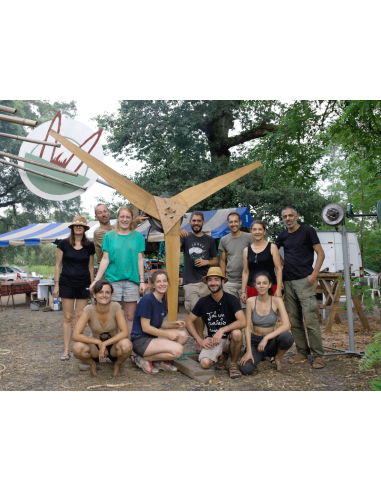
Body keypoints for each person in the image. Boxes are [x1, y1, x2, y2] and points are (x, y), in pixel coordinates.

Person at [275, 206, 326, 369]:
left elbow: (321, 253)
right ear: (282, 219)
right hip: (288, 281)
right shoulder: (282, 235)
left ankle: (318, 356)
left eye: (290, 215)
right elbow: (273, 250)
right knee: (294, 321)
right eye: (285, 216)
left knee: (310, 319)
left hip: (305, 280)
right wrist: (281, 263)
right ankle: (302, 352)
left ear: (297, 216)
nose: (288, 218)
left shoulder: (307, 231)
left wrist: (314, 274)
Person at [90, 206, 147, 345]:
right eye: (122, 217)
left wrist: (142, 281)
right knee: (112, 316)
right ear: (117, 218)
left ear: (131, 219)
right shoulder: (109, 236)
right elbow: (105, 259)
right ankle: (112, 346)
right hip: (112, 281)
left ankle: (127, 346)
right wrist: (96, 280)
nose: (124, 219)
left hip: (132, 281)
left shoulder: (138, 236)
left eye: (128, 217)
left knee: (130, 316)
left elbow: (140, 260)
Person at [185, 267, 246, 379]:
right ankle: (221, 356)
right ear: (207, 283)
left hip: (229, 340)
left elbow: (243, 322)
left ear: (222, 282)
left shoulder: (231, 299)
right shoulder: (203, 301)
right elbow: (188, 322)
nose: (213, 283)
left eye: (216, 279)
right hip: (213, 340)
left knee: (237, 333)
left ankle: (233, 364)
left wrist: (222, 330)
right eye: (210, 280)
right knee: (204, 364)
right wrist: (199, 340)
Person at [54, 216, 95, 361]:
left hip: (83, 283)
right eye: (76, 225)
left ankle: (77, 347)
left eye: (81, 225)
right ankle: (66, 350)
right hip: (66, 283)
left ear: (84, 228)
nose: (78, 227)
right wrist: (56, 284)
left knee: (79, 317)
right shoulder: (63, 244)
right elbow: (58, 265)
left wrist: (92, 285)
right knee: (68, 317)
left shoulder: (89, 245)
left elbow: (91, 267)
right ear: (72, 228)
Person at [130, 270, 188, 374]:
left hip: (152, 338)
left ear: (168, 283)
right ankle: (143, 359)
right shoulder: (147, 300)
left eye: (164, 281)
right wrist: (167, 334)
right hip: (141, 341)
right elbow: (146, 328)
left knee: (183, 335)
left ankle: (159, 361)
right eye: (158, 281)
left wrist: (173, 324)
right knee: (178, 350)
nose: (162, 284)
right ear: (153, 284)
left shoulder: (162, 301)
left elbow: (160, 323)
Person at [72, 279, 133, 378]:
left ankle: (117, 365)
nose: (104, 295)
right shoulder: (89, 309)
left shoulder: (116, 307)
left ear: (111, 295)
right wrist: (98, 342)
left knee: (127, 345)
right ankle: (92, 364)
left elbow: (124, 332)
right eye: (100, 292)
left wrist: (105, 343)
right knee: (77, 348)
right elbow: (76, 335)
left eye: (107, 292)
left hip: (113, 346)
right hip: (95, 348)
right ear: (94, 295)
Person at [239, 272, 293, 375]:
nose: (262, 286)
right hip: (255, 342)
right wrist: (249, 350)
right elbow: (247, 327)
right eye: (258, 283)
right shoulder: (250, 301)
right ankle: (258, 355)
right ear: (255, 285)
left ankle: (277, 358)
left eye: (265, 283)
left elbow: (286, 325)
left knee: (287, 337)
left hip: (271, 342)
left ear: (269, 285)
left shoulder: (277, 301)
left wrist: (266, 338)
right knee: (246, 370)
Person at [180, 211, 218, 345]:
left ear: (203, 222)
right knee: (196, 312)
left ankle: (209, 338)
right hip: (190, 282)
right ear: (190, 222)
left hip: (206, 282)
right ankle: (200, 340)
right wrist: (178, 234)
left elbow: (215, 260)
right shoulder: (185, 237)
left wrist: (206, 262)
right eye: (194, 220)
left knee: (207, 312)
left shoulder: (209, 239)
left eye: (198, 221)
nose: (196, 223)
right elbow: (174, 248)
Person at [241, 220, 283, 304]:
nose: (257, 232)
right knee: (254, 314)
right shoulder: (246, 250)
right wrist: (243, 292)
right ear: (251, 232)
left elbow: (278, 269)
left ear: (264, 231)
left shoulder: (272, 247)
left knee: (271, 314)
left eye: (260, 229)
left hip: (270, 288)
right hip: (252, 288)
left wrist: (278, 289)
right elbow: (245, 272)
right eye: (254, 229)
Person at [219, 211, 253, 302]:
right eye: (231, 222)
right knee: (231, 311)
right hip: (230, 281)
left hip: (247, 281)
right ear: (227, 224)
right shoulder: (224, 239)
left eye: (235, 221)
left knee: (247, 311)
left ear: (240, 223)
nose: (233, 224)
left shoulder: (249, 237)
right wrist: (223, 278)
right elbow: (222, 260)